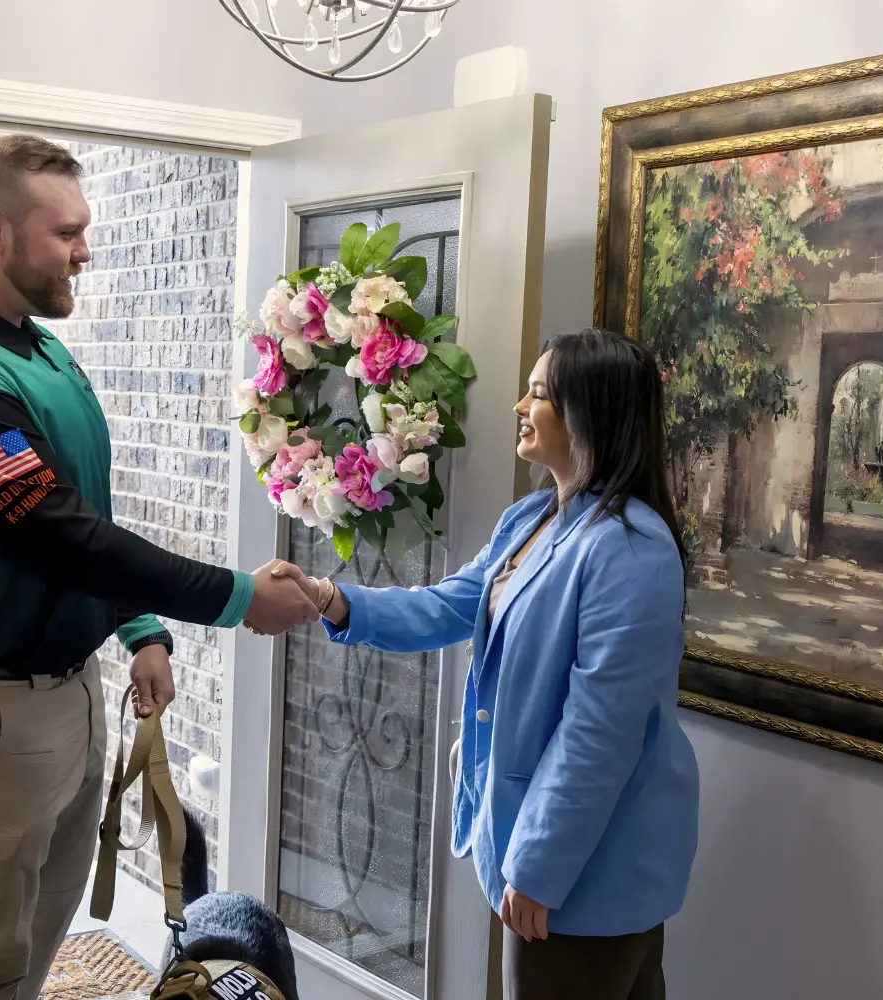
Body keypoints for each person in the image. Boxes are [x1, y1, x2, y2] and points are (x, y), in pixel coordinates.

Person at [0, 133, 318, 1000]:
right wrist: (233, 600)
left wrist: (140, 625)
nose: (86, 249)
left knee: (33, 945)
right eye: (65, 232)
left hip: (64, 699)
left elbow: (80, 502)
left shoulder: (29, 344)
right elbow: (60, 534)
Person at [287, 328, 699, 1000]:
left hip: (588, 871)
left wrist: (539, 864)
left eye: (538, 393)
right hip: (551, 856)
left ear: (588, 412)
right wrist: (334, 601)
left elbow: (600, 733)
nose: (518, 406)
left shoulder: (630, 550)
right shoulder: (535, 517)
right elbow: (451, 606)